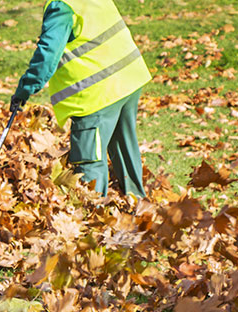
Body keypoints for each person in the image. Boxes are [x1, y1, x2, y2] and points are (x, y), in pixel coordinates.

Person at [11, 0, 152, 198]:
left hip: (96, 92)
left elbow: (48, 54)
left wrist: (25, 88)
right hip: (127, 78)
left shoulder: (61, 6)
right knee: (124, 145)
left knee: (89, 160)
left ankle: (91, 216)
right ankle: (140, 204)